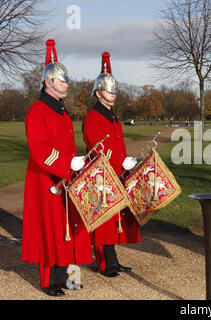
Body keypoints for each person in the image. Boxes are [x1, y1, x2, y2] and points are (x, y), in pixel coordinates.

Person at [22, 39, 93, 296]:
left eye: (66, 80)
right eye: (63, 81)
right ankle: (49, 281)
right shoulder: (37, 111)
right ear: (48, 82)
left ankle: (70, 278)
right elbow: (39, 149)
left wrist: (75, 164)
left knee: (70, 228)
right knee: (50, 231)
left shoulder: (62, 112)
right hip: (46, 181)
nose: (67, 84)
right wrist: (66, 163)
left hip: (66, 178)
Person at [82, 52, 141, 277]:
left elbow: (117, 144)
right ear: (98, 94)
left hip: (116, 172)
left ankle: (113, 262)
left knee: (114, 220)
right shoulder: (93, 117)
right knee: (103, 222)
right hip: (101, 175)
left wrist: (125, 163)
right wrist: (119, 160)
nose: (113, 93)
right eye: (108, 90)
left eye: (114, 90)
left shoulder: (112, 115)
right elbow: (98, 148)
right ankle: (104, 264)